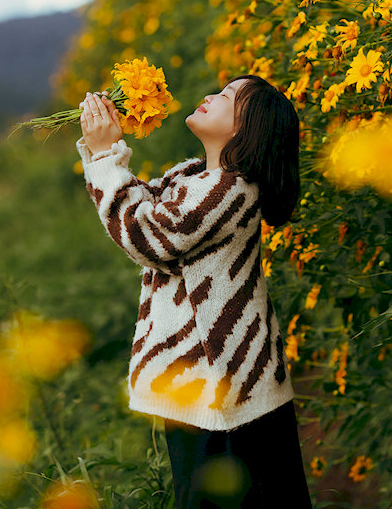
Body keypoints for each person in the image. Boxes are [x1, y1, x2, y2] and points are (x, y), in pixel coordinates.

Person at [77, 74, 312, 508]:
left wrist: (106, 155)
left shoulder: (230, 190)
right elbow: (146, 214)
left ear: (249, 128)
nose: (210, 96)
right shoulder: (195, 177)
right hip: (210, 388)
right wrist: (103, 151)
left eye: (226, 96)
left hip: (227, 393)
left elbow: (146, 234)